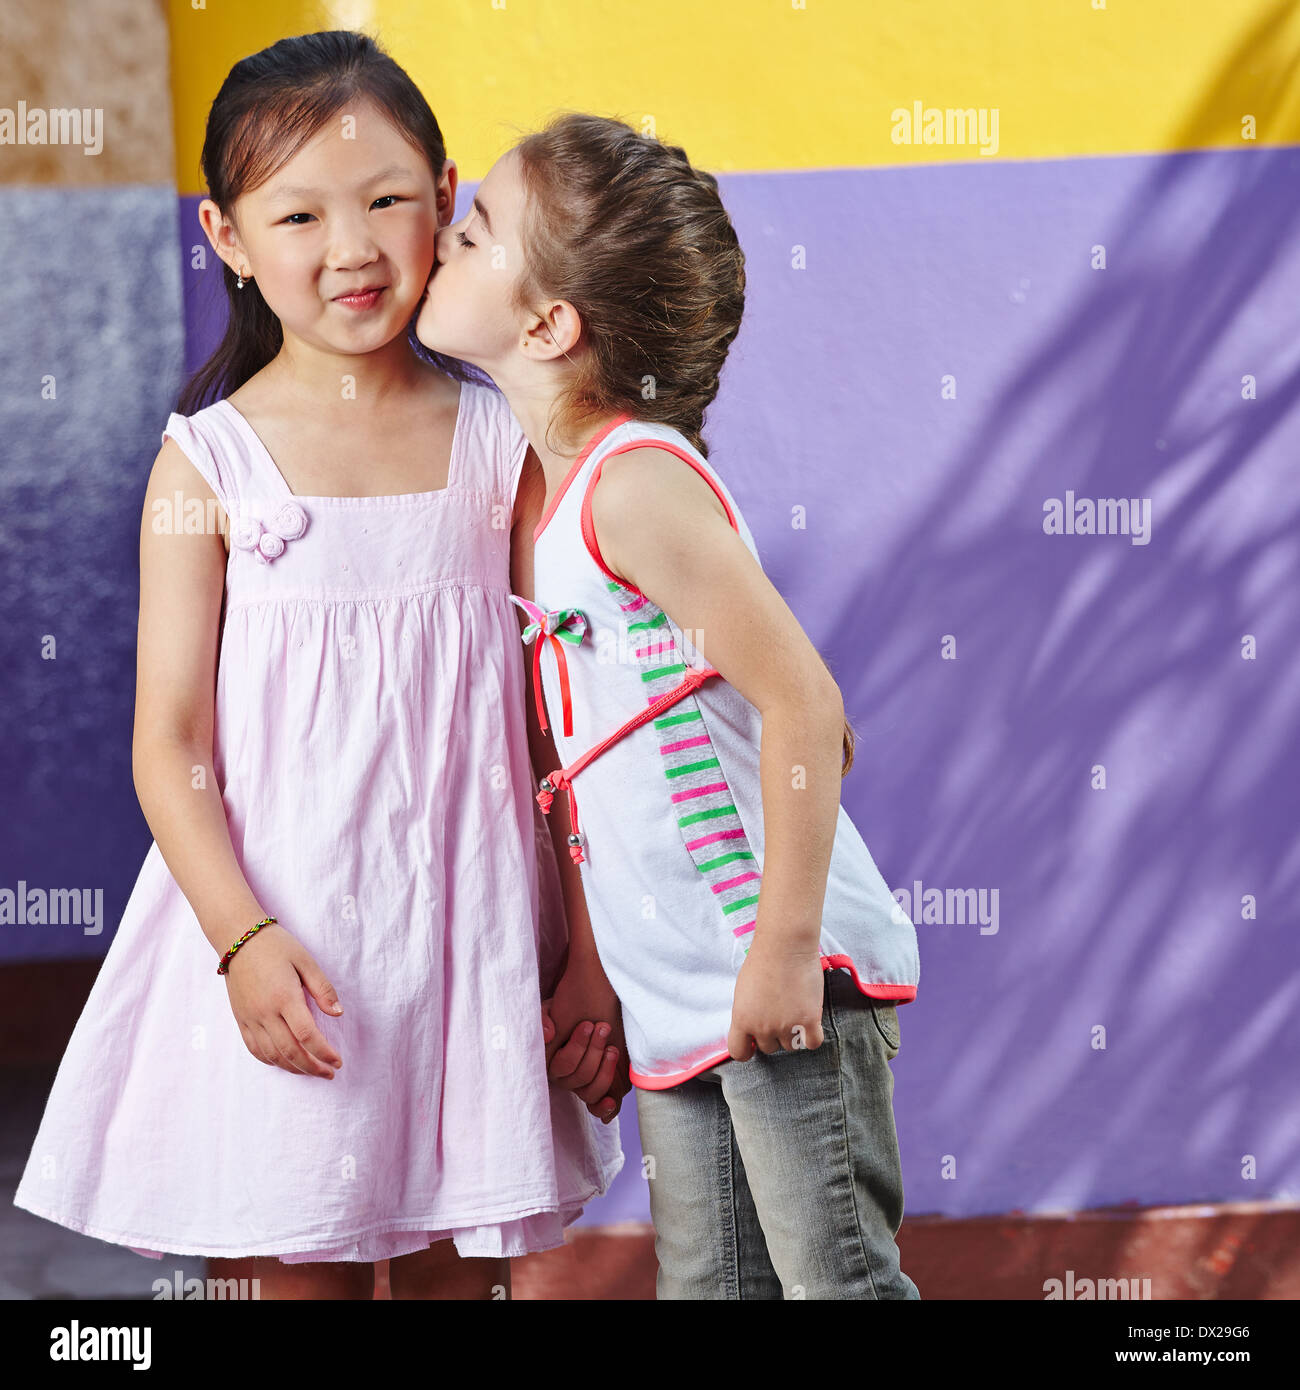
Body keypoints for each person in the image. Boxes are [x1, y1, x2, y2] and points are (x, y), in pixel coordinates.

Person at [11, 34, 621, 1302]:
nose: (352, 247)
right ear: (228, 237)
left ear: (446, 197)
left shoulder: (506, 436)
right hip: (282, 948)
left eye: (388, 201)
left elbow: (561, 717)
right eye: (298, 213)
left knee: (468, 1263)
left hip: (475, 942)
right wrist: (240, 940)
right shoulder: (208, 465)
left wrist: (590, 951)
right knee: (283, 1259)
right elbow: (167, 740)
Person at [414, 111, 922, 1299]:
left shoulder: (633, 485)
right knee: (710, 1287)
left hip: (780, 977)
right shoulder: (547, 495)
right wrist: (604, 970)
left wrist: (785, 953)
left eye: (476, 229)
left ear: (547, 324)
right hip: (680, 993)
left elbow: (807, 707)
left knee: (834, 1282)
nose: (445, 236)